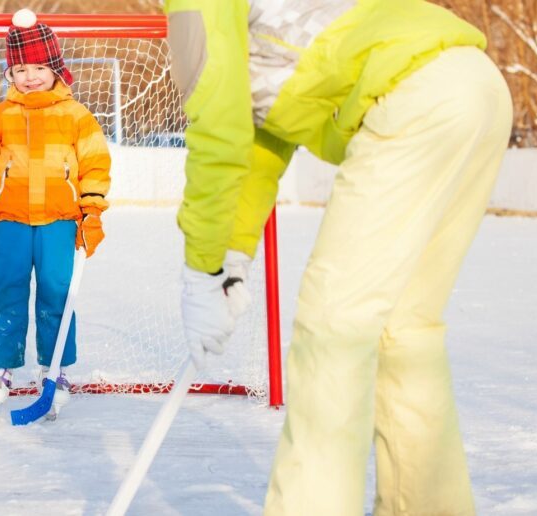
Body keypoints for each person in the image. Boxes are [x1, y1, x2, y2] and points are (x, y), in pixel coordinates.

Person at [162, 0, 512, 513]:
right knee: (404, 327)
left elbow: (219, 133)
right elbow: (262, 138)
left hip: (412, 97)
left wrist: (200, 269)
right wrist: (231, 258)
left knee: (334, 325)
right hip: (474, 85)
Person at [0, 9, 111, 415]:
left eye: (39, 67)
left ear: (56, 69)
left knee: (57, 294)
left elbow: (95, 164)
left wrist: (91, 211)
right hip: (11, 222)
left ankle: (53, 367)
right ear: (10, 74)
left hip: (61, 221)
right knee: (6, 290)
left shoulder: (77, 117)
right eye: (21, 68)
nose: (30, 76)